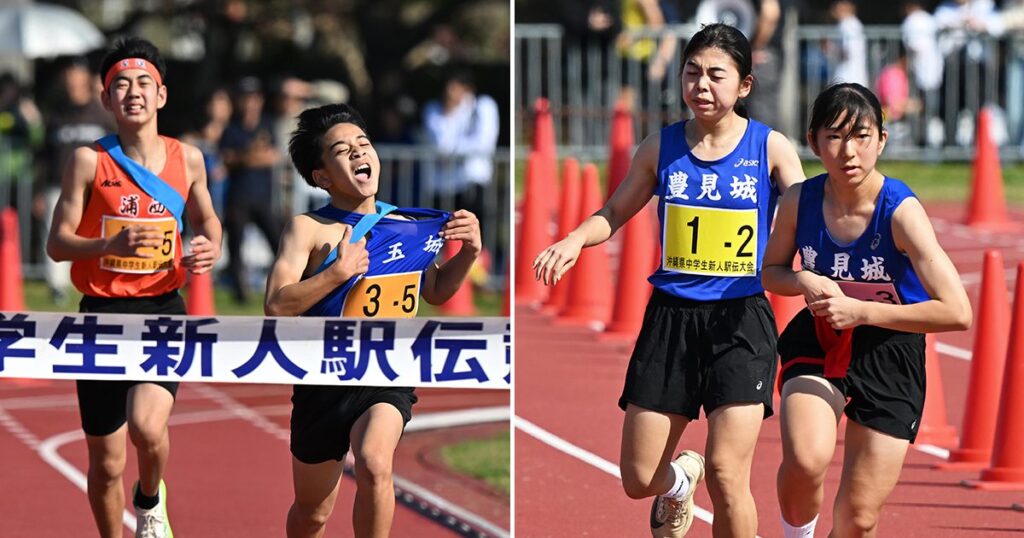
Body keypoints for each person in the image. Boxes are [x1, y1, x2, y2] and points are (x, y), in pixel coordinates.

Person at [533, 23, 804, 538]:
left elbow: (806, 209)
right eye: (692, 72)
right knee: (638, 479)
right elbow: (614, 210)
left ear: (744, 86)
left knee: (729, 475)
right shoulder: (661, 148)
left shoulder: (770, 149)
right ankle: (681, 481)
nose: (701, 85)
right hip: (671, 320)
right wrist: (572, 240)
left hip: (741, 321)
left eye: (716, 76)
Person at [761, 83, 972, 538]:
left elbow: (957, 311)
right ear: (813, 141)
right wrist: (801, 280)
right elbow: (771, 271)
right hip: (820, 338)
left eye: (861, 136)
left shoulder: (900, 211)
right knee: (804, 457)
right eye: (834, 137)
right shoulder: (800, 200)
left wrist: (862, 311)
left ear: (882, 140)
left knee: (857, 518)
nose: (848, 151)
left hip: (890, 351)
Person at [264, 103, 481, 538]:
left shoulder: (409, 224)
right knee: (312, 514)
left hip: (387, 372)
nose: (359, 153)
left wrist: (470, 253)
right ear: (322, 176)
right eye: (342, 150)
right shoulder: (306, 229)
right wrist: (335, 274)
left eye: (363, 144)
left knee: (375, 463)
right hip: (322, 378)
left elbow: (435, 291)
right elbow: (276, 305)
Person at [46, 37, 222, 538]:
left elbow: (209, 221)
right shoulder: (87, 161)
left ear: (162, 95)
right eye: (120, 84)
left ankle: (149, 499)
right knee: (105, 462)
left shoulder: (188, 159)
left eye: (144, 82)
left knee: (147, 427)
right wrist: (107, 245)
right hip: (99, 314)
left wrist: (210, 246)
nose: (133, 92)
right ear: (106, 100)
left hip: (163, 307)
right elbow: (58, 243)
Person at [38, 58, 116, 304]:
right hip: (58, 184)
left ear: (86, 78)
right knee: (56, 233)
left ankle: (96, 279)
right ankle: (57, 286)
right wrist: (39, 189)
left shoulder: (101, 114)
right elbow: (43, 155)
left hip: (96, 188)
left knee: (93, 234)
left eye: (77, 74)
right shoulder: (57, 113)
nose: (72, 80)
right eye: (68, 75)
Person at [220, 75, 282, 303]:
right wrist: (253, 156)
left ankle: (285, 286)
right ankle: (240, 292)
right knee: (236, 248)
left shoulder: (266, 124)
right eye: (245, 98)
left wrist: (245, 157)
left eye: (253, 98)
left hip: (262, 198)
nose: (249, 103)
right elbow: (226, 159)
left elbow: (273, 156)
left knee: (278, 243)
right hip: (238, 197)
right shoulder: (232, 127)